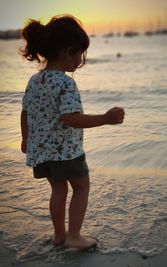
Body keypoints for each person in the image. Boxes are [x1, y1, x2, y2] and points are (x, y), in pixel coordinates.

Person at [20, 15, 125, 250]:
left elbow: (25, 112)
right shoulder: (66, 83)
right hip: (66, 151)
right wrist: (106, 119)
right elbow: (71, 119)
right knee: (81, 187)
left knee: (58, 189)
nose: (80, 60)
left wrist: (26, 138)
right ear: (69, 52)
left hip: (43, 152)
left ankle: (59, 235)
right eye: (80, 54)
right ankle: (74, 236)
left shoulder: (35, 80)